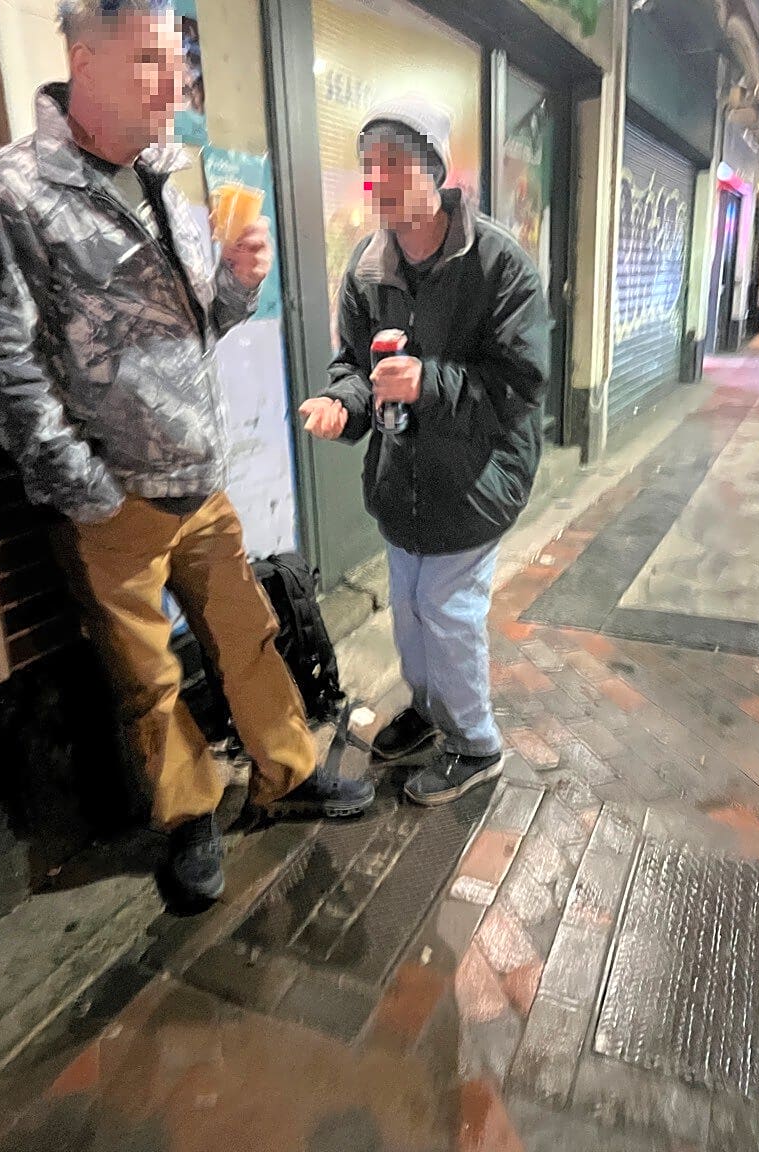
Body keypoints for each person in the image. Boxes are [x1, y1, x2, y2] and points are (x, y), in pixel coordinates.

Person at [0, 0, 374, 906]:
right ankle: (189, 821)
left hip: (201, 483)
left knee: (249, 638)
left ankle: (287, 775)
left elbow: (196, 324)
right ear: (83, 60)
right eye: (149, 59)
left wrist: (239, 285)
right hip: (111, 499)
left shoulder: (163, 177)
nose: (173, 81)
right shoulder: (14, 190)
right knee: (148, 680)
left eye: (177, 59)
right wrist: (86, 488)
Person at [301, 97, 550, 806]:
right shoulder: (367, 265)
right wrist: (341, 405)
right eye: (367, 165)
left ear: (435, 171)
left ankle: (475, 742)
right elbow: (355, 367)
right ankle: (427, 709)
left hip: (475, 477)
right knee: (410, 609)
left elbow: (521, 383)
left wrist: (428, 383)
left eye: (393, 163)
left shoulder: (497, 263)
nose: (376, 180)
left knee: (446, 610)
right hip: (401, 479)